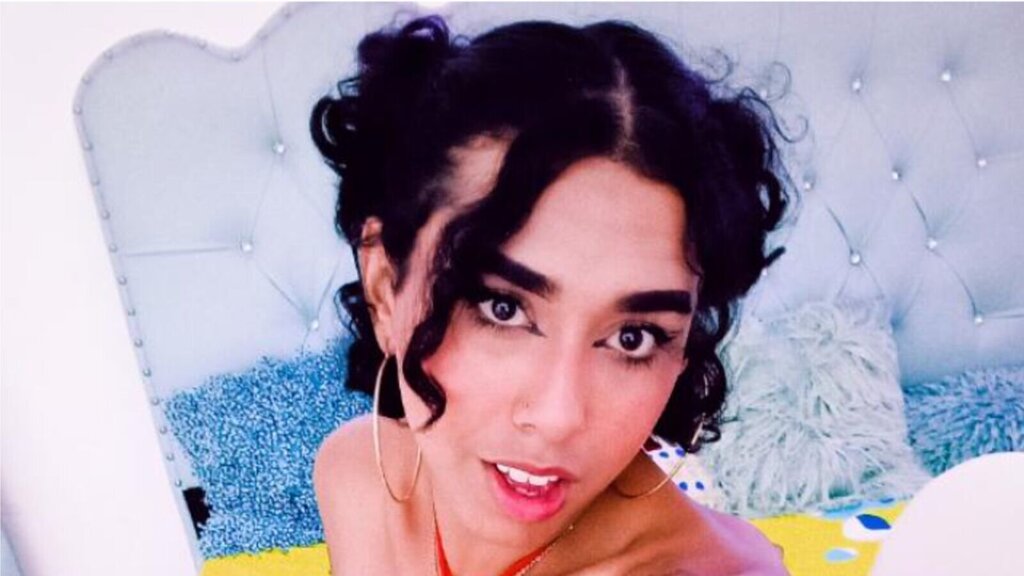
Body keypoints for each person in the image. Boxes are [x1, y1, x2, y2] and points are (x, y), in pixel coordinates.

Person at [310, 14, 790, 576]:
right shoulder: (356, 479)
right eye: (503, 308)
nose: (559, 417)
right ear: (384, 289)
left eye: (633, 338)